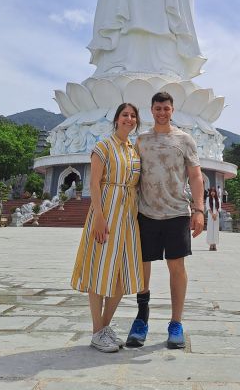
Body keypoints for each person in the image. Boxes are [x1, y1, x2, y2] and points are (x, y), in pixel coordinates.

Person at [126, 91, 204, 349]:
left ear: (173, 110)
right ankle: (142, 318)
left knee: (177, 267)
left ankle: (176, 323)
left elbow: (195, 176)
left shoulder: (185, 139)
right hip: (146, 212)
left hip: (177, 213)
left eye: (166, 108)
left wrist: (199, 210)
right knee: (143, 266)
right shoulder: (141, 140)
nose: (162, 112)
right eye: (158, 108)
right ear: (151, 110)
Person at [71, 103, 143, 353]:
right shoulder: (103, 147)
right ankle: (96, 331)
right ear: (116, 119)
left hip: (129, 217)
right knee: (100, 270)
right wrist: (99, 217)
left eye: (133, 116)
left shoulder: (135, 150)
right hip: (107, 213)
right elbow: (93, 183)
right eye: (125, 115)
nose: (129, 119)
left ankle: (103, 328)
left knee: (122, 275)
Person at [206, 186, 221, 251]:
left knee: (215, 230)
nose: (213, 193)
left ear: (215, 192)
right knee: (210, 229)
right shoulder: (208, 199)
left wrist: (216, 215)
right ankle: (211, 244)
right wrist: (212, 215)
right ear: (210, 192)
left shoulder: (218, 199)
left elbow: (219, 208)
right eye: (211, 191)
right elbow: (208, 207)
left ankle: (214, 244)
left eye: (214, 191)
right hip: (210, 215)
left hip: (216, 216)